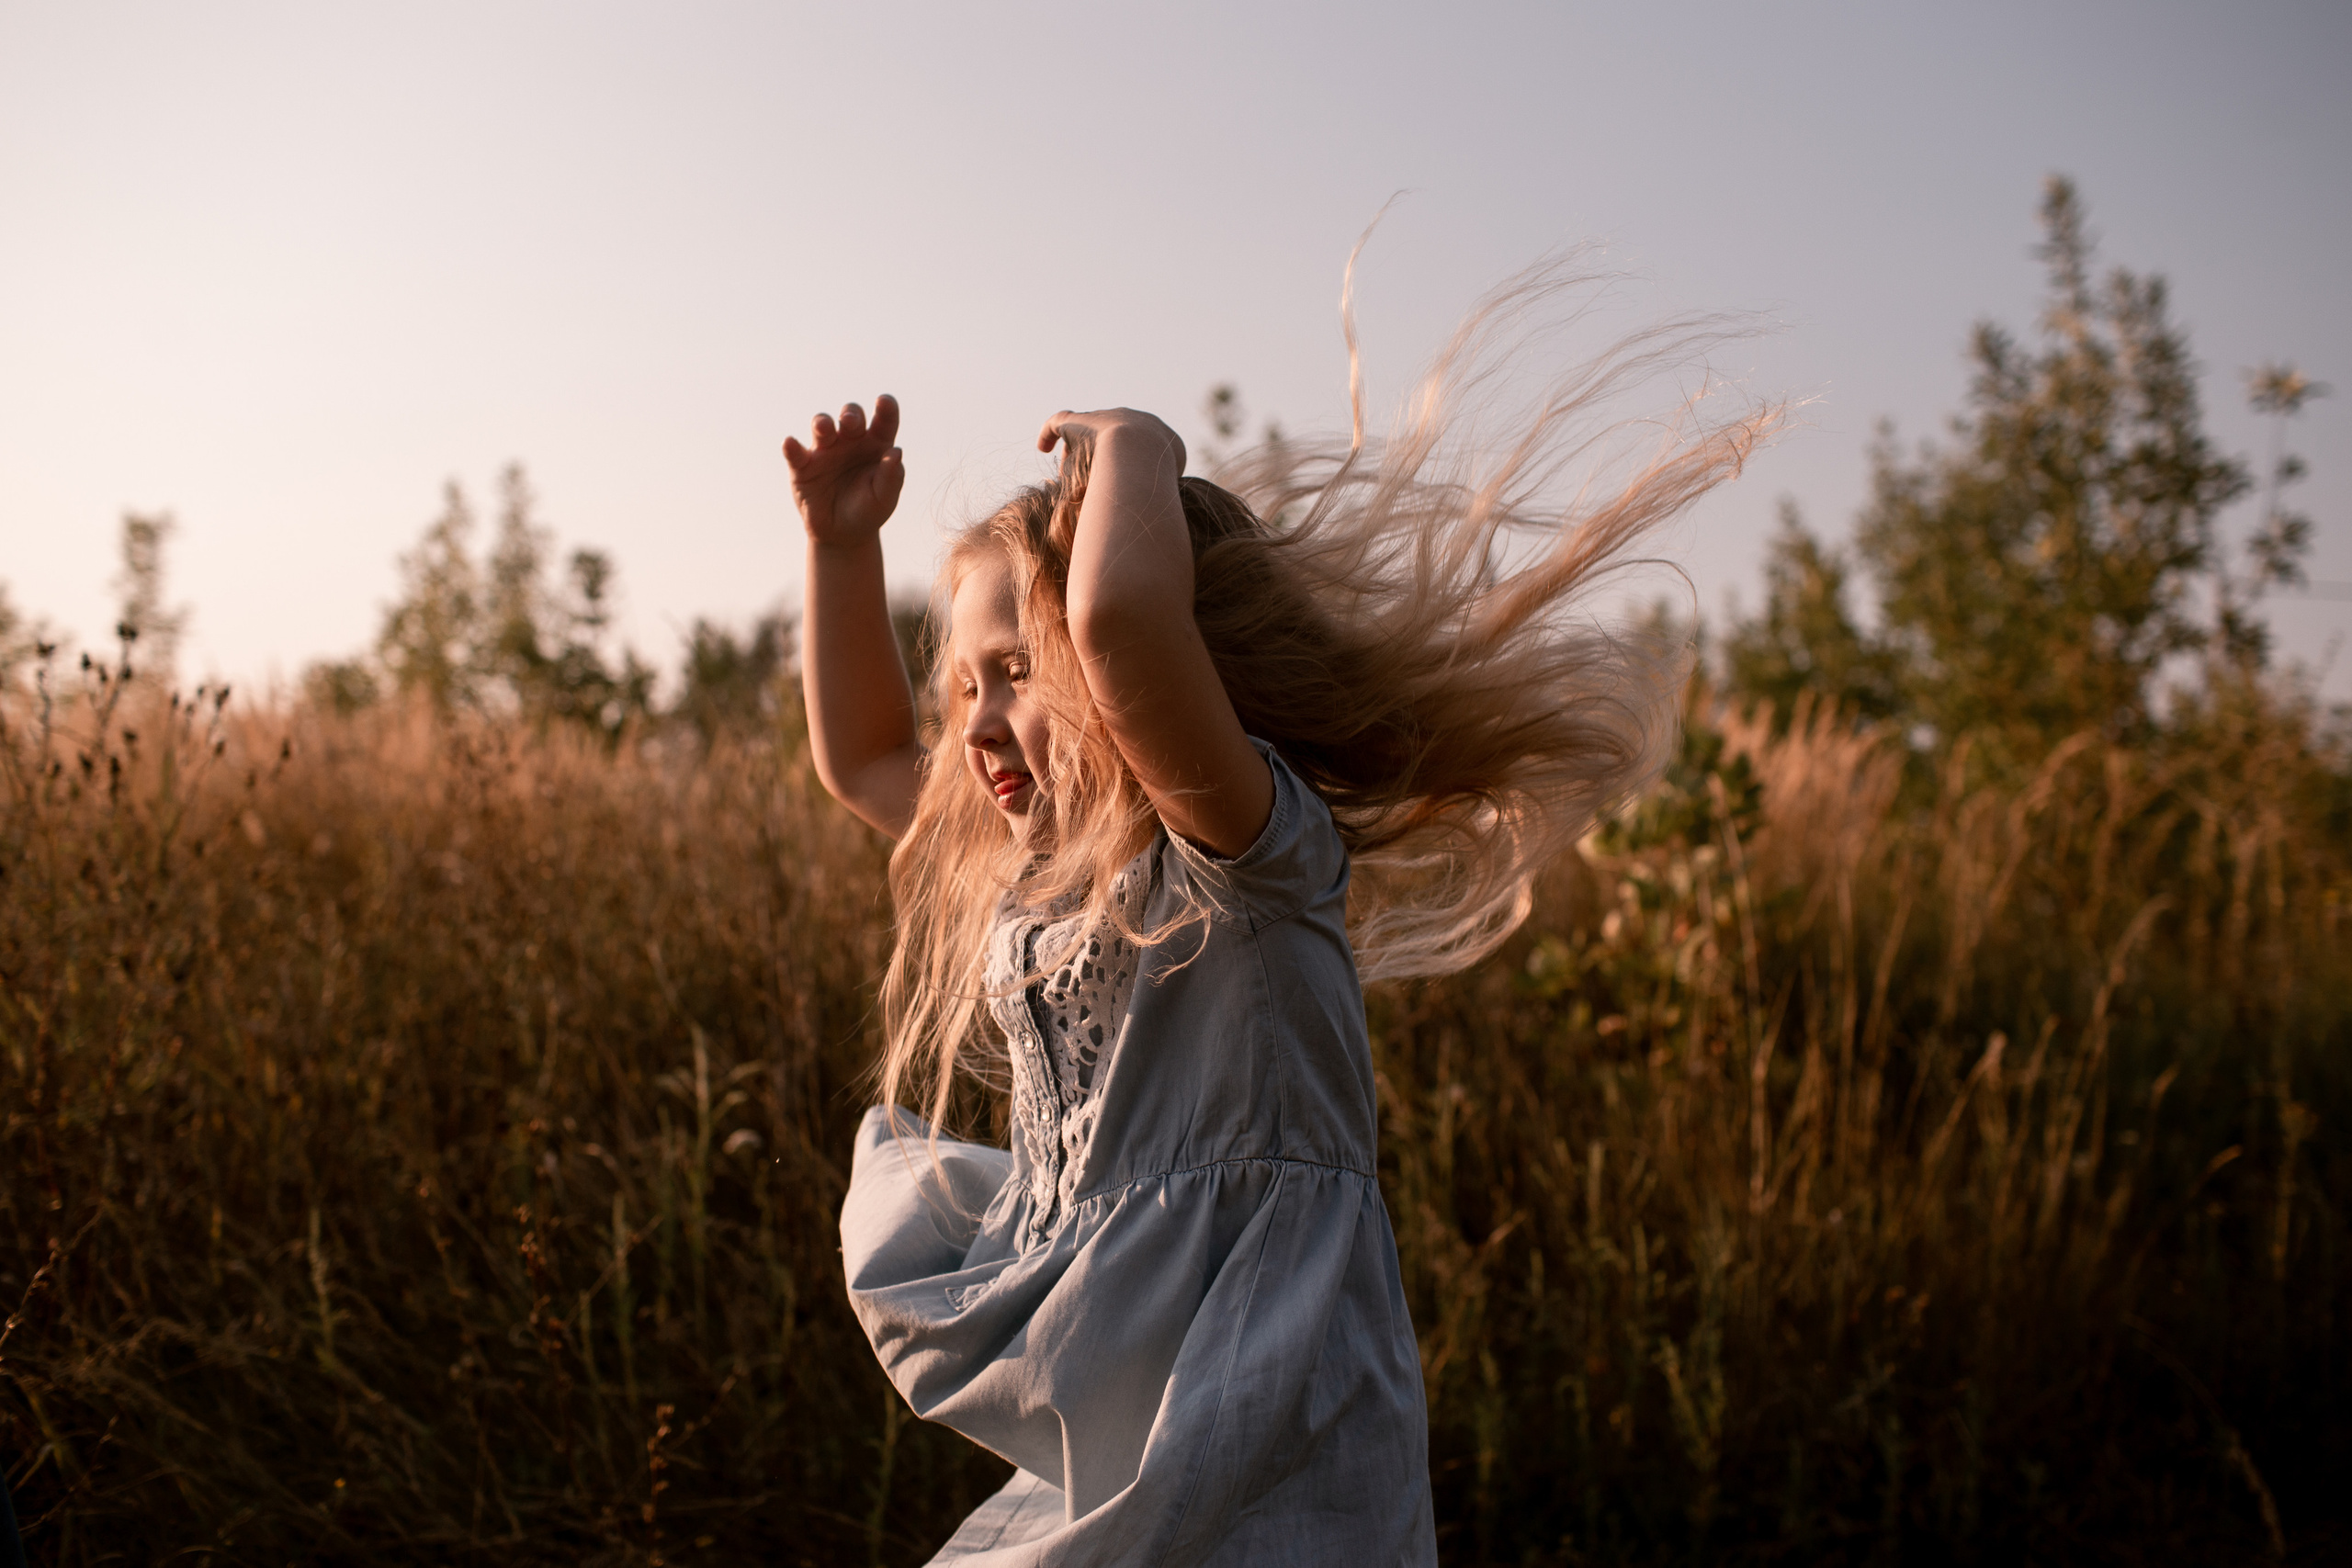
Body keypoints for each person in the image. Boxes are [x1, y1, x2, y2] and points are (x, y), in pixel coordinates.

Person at [790, 254, 1777, 1564]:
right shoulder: (1039, 876)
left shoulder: (1241, 851)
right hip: (1129, 1395)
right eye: (963, 682)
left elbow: (1129, 622)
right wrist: (840, 548)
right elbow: (864, 759)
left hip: (1279, 1401)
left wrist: (1138, 449)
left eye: (1018, 671)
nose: (973, 724)